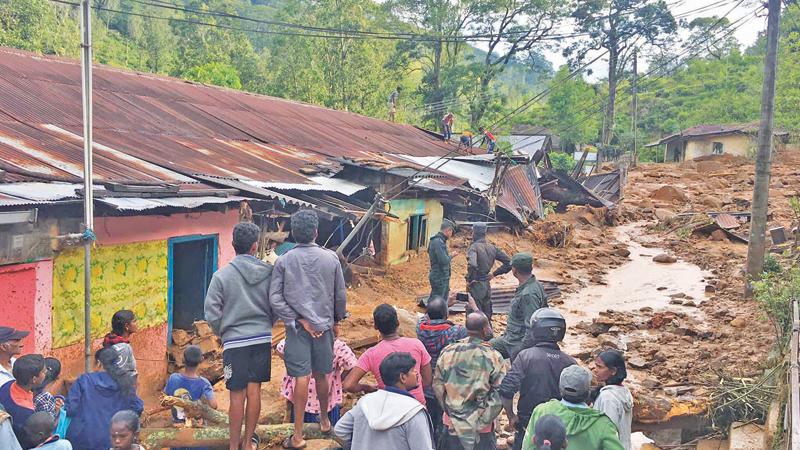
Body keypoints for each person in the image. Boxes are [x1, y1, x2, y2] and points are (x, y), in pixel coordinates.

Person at [270, 210, 347, 449]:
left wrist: (299, 319)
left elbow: (275, 298)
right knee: (322, 374)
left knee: (301, 378)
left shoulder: (284, 260)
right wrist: (336, 321)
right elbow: (340, 296)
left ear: (293, 233)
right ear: (316, 232)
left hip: (297, 330)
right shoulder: (331, 258)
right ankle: (324, 420)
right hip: (323, 328)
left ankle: (298, 434)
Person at [205, 222, 274, 450]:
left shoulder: (221, 276)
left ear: (233, 245)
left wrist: (222, 331)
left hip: (234, 343)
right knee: (255, 391)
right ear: (255, 246)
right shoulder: (268, 272)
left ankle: (234, 446)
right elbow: (276, 305)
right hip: (261, 339)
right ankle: (248, 443)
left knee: (237, 394)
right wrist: (267, 324)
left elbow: (211, 312)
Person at [500, 309, 575, 450]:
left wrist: (510, 415)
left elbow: (507, 389)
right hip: (559, 430)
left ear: (536, 330)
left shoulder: (525, 356)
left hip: (527, 426)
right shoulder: (570, 362)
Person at [434, 313, 506, 450]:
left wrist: (451, 413)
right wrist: (481, 421)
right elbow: (499, 393)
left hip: (452, 426)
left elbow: (438, 385)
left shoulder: (447, 352)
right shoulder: (493, 356)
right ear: (485, 329)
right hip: (481, 431)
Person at [335, 352, 434, 450]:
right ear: (403, 377)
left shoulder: (366, 402)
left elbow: (340, 430)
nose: (417, 373)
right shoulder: (413, 412)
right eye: (412, 370)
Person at [343, 304, 432, 406]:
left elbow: (348, 385)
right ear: (398, 322)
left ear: (376, 326)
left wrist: (366, 388)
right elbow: (427, 380)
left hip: (389, 409)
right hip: (417, 406)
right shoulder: (416, 344)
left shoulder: (370, 354)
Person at [523, 366, 624, 450]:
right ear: (588, 392)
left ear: (560, 389)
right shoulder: (602, 424)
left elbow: (528, 447)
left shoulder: (542, 411)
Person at [65, 347, 143, 450]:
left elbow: (70, 409)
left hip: (82, 439)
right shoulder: (125, 382)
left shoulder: (84, 380)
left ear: (99, 363)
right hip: (114, 440)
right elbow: (138, 408)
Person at [275, 334, 357, 426]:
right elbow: (352, 365)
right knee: (331, 432)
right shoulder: (336, 346)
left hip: (301, 401)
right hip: (328, 401)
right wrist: (340, 379)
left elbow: (280, 348)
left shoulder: (297, 341)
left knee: (301, 429)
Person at [416, 296, 468, 440]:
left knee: (429, 422)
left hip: (426, 385)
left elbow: (424, 317)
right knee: (444, 424)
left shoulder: (420, 329)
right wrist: (473, 308)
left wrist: (443, 306)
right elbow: (478, 329)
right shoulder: (455, 332)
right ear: (446, 314)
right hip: (447, 385)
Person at [490, 252, 548, 359]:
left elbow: (531, 327)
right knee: (486, 347)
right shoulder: (536, 285)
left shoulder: (528, 294)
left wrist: (521, 352)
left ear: (514, 270)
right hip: (511, 337)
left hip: (516, 342)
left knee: (484, 351)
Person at [163, 345, 217, 450]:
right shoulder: (204, 383)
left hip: (178, 433)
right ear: (201, 360)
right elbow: (214, 405)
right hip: (198, 435)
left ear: (183, 360)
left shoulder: (173, 378)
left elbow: (166, 396)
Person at [466, 223, 512, 320]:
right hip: (487, 285)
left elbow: (472, 264)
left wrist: (470, 279)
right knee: (487, 313)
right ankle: (488, 333)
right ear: (485, 233)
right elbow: (509, 262)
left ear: (473, 233)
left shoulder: (473, 247)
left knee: (474, 314)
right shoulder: (492, 248)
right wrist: (494, 274)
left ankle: (476, 334)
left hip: (476, 285)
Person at [0, 353, 46, 447]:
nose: (46, 373)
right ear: (34, 379)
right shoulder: (26, 412)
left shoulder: (8, 385)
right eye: (44, 372)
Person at [592, 350, 633, 450]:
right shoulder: (624, 390)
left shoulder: (608, 398)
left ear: (613, 371)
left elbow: (608, 433)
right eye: (596, 366)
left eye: (600, 367)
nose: (595, 370)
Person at [102, 310, 139, 384]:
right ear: (126, 326)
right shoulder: (123, 347)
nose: (137, 324)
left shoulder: (111, 340)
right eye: (134, 321)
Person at [428, 219, 456, 304]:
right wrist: (451, 255)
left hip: (441, 276)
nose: (451, 235)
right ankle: (432, 316)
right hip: (439, 276)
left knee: (440, 299)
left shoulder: (439, 241)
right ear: (448, 230)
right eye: (451, 232)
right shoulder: (438, 242)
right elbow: (444, 260)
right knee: (438, 301)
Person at [34, 357, 64, 421]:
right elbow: (48, 426)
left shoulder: (30, 388)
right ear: (58, 377)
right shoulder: (46, 398)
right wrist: (58, 412)